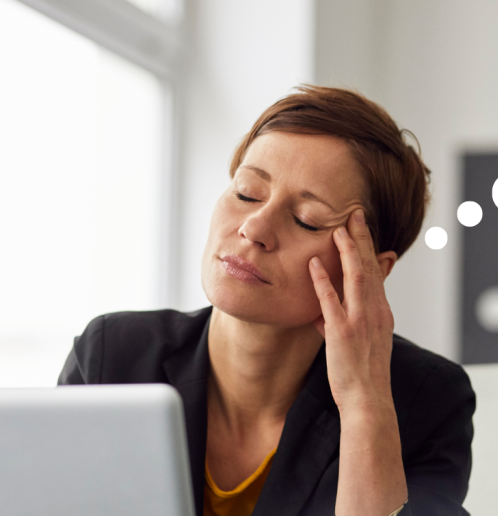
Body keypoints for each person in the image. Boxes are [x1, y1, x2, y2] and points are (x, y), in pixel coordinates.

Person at [58, 86, 475, 516]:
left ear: (371, 270)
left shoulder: (426, 401)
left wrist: (363, 405)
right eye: (246, 193)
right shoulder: (113, 355)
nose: (254, 227)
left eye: (305, 220)